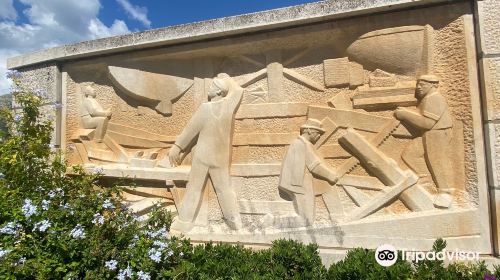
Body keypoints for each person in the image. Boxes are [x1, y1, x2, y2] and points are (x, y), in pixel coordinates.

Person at [168, 73, 243, 231]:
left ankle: (184, 222)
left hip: (203, 156)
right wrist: (227, 79)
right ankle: (234, 222)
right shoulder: (228, 106)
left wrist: (177, 147)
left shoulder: (205, 109)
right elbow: (238, 91)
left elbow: (190, 131)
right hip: (220, 158)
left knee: (194, 187)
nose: (208, 89)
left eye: (212, 87)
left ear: (218, 92)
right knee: (224, 189)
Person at [264, 118, 339, 228]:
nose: (319, 136)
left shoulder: (300, 143)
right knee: (306, 220)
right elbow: (314, 166)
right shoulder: (302, 144)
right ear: (309, 130)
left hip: (299, 184)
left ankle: (273, 221)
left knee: (307, 220)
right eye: (318, 133)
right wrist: (330, 175)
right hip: (299, 185)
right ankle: (272, 221)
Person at [394, 74, 454, 208]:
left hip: (438, 133)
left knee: (436, 161)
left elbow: (426, 123)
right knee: (410, 154)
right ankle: (426, 180)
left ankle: (445, 193)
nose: (418, 87)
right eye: (418, 84)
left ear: (433, 85)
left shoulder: (435, 98)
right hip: (430, 133)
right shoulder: (427, 98)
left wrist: (405, 115)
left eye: (423, 84)